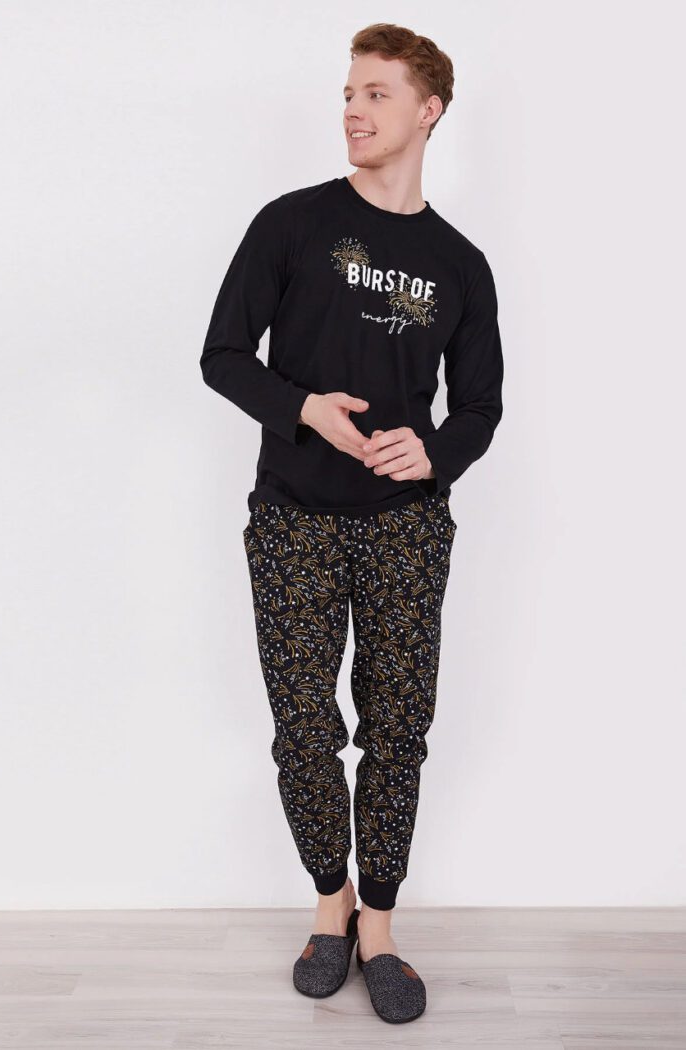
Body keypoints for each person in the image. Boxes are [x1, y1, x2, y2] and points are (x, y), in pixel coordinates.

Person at [200, 22, 503, 1022]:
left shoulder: (459, 263)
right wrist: (303, 409)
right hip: (293, 517)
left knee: (398, 731)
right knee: (303, 730)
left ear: (429, 110)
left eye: (376, 93)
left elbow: (481, 406)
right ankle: (328, 906)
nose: (353, 111)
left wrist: (437, 452)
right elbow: (223, 354)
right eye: (348, 93)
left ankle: (379, 925)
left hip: (406, 526)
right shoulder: (290, 225)